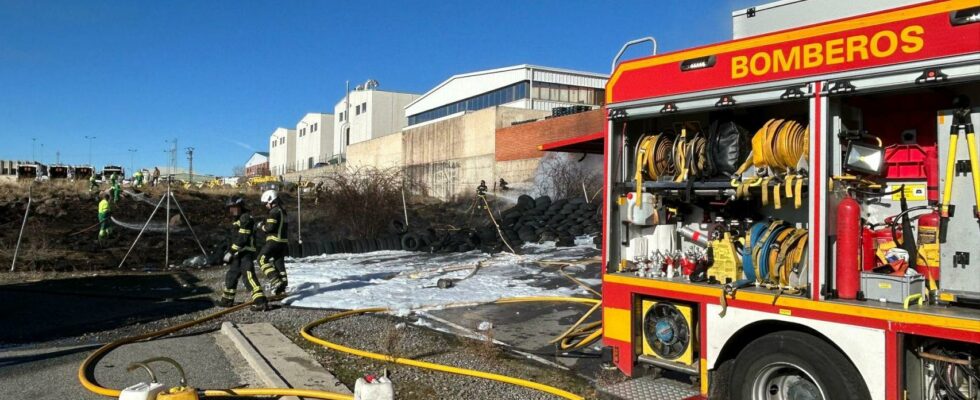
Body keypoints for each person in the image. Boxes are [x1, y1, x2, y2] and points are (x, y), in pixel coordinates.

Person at [217, 196, 268, 311]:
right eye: (230, 208)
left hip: (245, 252)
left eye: (234, 207)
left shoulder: (245, 218)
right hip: (238, 253)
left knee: (248, 276)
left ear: (240, 207)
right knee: (231, 275)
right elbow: (234, 238)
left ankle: (261, 301)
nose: (231, 210)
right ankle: (227, 300)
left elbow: (243, 238)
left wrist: (231, 251)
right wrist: (228, 250)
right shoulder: (237, 219)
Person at [257, 189, 288, 296]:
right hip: (283, 242)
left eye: (266, 203)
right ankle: (282, 286)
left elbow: (270, 228)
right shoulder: (283, 211)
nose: (266, 206)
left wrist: (261, 226)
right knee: (278, 263)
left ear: (271, 201)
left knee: (261, 259)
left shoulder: (274, 212)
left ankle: (275, 280)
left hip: (274, 241)